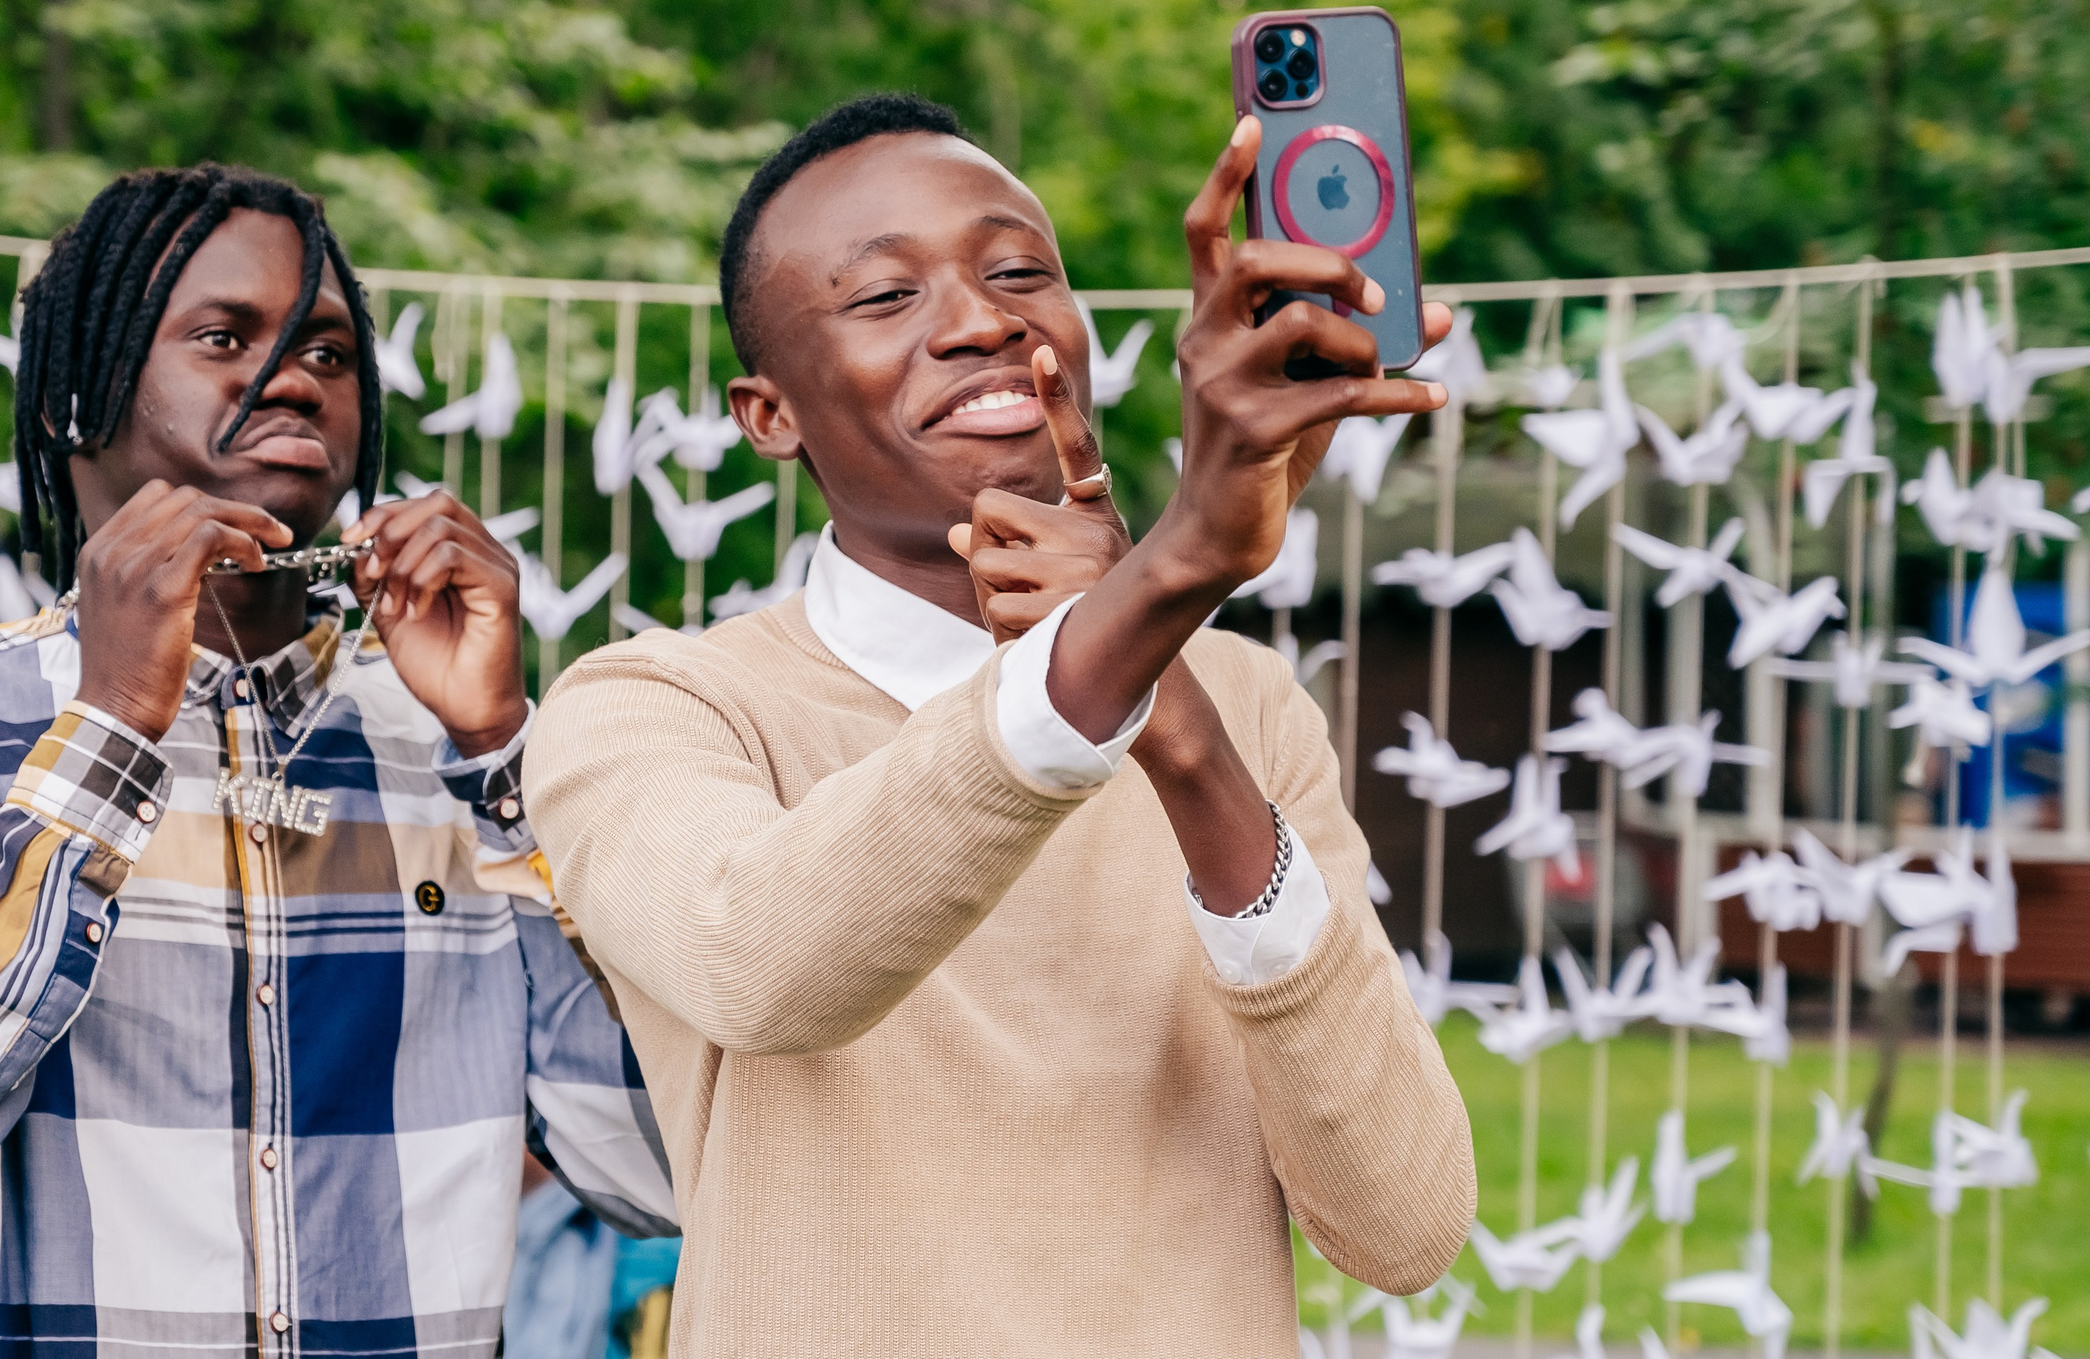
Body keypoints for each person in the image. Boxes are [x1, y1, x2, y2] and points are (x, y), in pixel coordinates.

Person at [524, 95, 1476, 1353]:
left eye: (1021, 273)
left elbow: (1403, 1228)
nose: (982, 321)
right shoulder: (650, 706)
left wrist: (1180, 728)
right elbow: (758, 966)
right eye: (885, 297)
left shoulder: (1242, 705)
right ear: (769, 415)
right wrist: (1157, 590)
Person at [0, 164, 674, 1359]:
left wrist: (499, 757)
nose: (293, 377)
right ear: (71, 400)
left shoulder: (455, 742)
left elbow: (663, 1174)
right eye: (225, 337)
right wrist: (110, 732)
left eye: (329, 353)